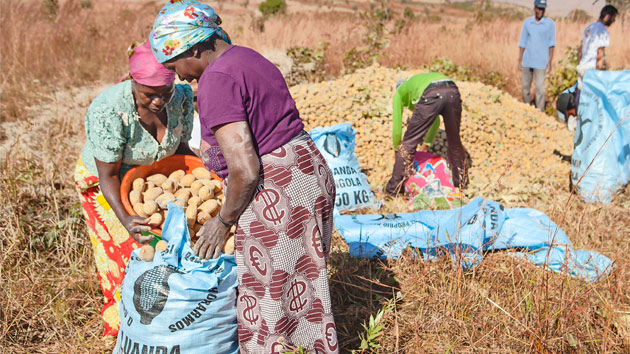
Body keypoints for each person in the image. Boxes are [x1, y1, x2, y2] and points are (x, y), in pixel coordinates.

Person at [150, 2, 339, 353]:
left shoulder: (217, 79)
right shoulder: (247, 58)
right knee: (303, 290)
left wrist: (223, 221)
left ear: (192, 45)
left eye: (174, 64)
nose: (179, 76)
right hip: (306, 172)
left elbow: (246, 170)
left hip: (277, 190)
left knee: (269, 298)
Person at [73, 41, 194, 336]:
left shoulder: (181, 99)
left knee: (166, 249)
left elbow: (181, 148)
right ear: (132, 82)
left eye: (165, 93)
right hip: (106, 185)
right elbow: (108, 174)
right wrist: (126, 219)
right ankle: (122, 328)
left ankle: (166, 326)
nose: (158, 102)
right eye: (148, 95)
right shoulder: (110, 110)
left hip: (149, 182)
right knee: (127, 254)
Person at [385, 73, 468, 196]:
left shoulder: (400, 92)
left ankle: (393, 190)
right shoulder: (416, 86)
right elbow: (435, 120)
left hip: (432, 91)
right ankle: (462, 185)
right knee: (454, 141)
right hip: (452, 90)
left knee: (408, 143)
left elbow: (397, 127)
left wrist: (397, 148)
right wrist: (426, 145)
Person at [518, 0, 556, 112]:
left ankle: (540, 113)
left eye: (543, 9)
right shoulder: (527, 23)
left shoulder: (549, 24)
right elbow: (522, 42)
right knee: (525, 89)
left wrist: (549, 61)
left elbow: (552, 44)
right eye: (539, 8)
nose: (540, 11)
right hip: (527, 61)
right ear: (534, 8)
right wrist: (519, 59)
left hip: (541, 62)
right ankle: (526, 109)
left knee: (540, 89)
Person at [577, 5, 618, 85]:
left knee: (582, 93)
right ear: (608, 16)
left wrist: (580, 63)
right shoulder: (603, 30)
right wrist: (599, 73)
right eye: (613, 17)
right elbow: (600, 53)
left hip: (582, 65)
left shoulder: (588, 27)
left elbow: (580, 48)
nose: (614, 21)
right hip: (592, 68)